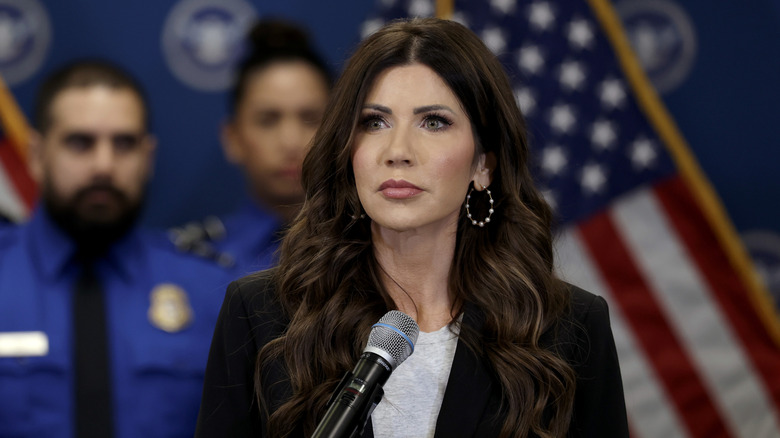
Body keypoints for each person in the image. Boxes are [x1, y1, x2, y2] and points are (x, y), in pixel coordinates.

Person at [195, 17, 629, 438]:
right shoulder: (259, 315)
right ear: (348, 151)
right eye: (374, 122)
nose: (397, 150)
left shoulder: (569, 328)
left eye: (434, 122)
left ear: (483, 163)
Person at [0, 60, 232, 437]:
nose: (104, 165)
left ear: (149, 157)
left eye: (124, 144)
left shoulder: (213, 292)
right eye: (80, 143)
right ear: (37, 155)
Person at [169, 18, 332, 275]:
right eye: (268, 120)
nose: (290, 142)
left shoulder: (377, 254)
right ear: (233, 138)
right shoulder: (190, 260)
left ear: (337, 129)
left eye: (310, 118)